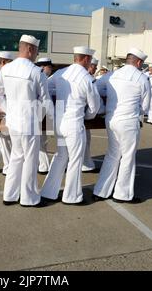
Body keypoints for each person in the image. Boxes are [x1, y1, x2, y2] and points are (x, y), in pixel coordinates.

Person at [0, 35, 52, 208]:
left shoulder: (6, 69)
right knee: (30, 160)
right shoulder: (36, 71)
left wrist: (8, 109)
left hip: (13, 122)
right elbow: (46, 101)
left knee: (16, 158)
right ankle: (29, 198)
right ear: (30, 49)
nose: (37, 55)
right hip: (29, 123)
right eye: (36, 51)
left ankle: (9, 195)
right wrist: (51, 119)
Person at [41, 47, 100, 205]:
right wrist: (86, 117)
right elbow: (94, 107)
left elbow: (46, 87)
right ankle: (71, 196)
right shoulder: (86, 79)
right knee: (75, 160)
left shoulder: (61, 73)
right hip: (74, 125)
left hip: (59, 124)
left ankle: (48, 191)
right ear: (86, 59)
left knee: (61, 157)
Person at [93, 48, 151, 204]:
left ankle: (101, 191)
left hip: (111, 119)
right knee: (127, 157)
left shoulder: (112, 74)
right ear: (139, 62)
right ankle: (122, 194)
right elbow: (145, 106)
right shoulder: (141, 78)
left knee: (112, 154)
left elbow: (96, 88)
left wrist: (107, 103)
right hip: (129, 122)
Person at [36, 57, 54, 174]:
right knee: (40, 141)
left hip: (41, 113)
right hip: (38, 112)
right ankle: (43, 166)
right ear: (43, 67)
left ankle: (43, 166)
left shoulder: (48, 78)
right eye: (49, 67)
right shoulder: (40, 77)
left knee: (41, 141)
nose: (51, 69)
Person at [82, 57, 100, 172]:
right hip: (81, 116)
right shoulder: (88, 79)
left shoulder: (90, 78)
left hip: (82, 116)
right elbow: (94, 104)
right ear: (89, 66)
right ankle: (85, 165)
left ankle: (86, 163)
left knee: (86, 140)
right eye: (94, 66)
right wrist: (88, 116)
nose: (96, 69)